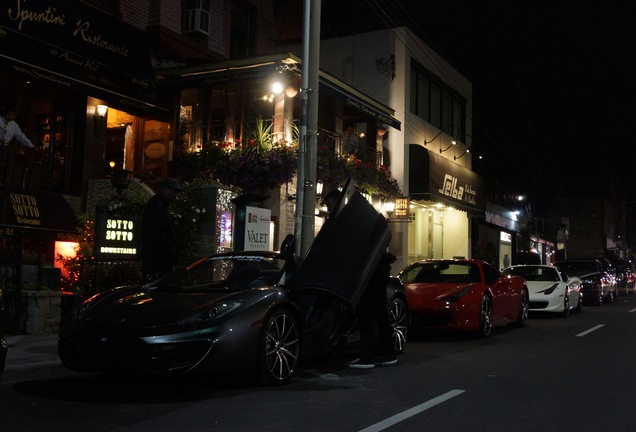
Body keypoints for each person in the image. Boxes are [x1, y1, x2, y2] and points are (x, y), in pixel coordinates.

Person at [348, 251, 398, 369]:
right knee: (380, 312)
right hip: (381, 265)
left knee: (365, 313)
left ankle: (367, 357)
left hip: (369, 267)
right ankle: (388, 353)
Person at [141, 177, 182, 282]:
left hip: (158, 259)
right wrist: (171, 250)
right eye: (173, 191)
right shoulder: (156, 206)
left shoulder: (158, 205)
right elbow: (158, 233)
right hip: (157, 260)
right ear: (164, 189)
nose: (174, 195)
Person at [0, 106, 35, 185]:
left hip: (4, 146)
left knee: (3, 165)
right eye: (8, 114)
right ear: (5, 114)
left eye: (12, 115)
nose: (10, 117)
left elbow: (20, 136)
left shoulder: (14, 125)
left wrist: (31, 145)